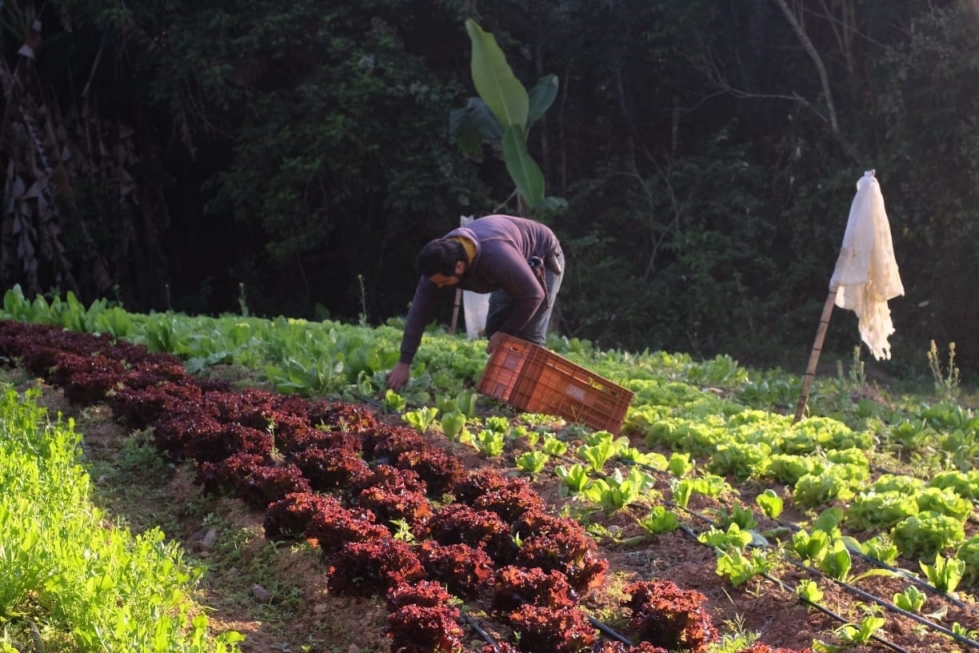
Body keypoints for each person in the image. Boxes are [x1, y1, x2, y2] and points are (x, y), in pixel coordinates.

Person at [386, 214, 564, 391]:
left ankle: (531, 395)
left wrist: (505, 332)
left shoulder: (495, 257)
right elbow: (419, 312)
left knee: (529, 335)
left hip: (542, 256)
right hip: (512, 263)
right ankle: (505, 389)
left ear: (458, 266)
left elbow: (533, 295)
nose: (439, 286)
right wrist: (404, 362)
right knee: (494, 328)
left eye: (444, 282)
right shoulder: (437, 263)